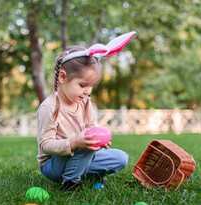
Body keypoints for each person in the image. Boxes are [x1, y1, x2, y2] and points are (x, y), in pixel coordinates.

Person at [36, 31, 136, 192]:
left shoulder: (85, 102)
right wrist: (75, 143)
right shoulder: (50, 107)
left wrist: (99, 141)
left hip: (80, 154)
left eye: (91, 86)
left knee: (121, 158)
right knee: (85, 146)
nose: (88, 91)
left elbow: (91, 128)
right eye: (83, 85)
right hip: (54, 164)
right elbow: (46, 145)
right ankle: (70, 182)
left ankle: (86, 173)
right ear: (62, 77)